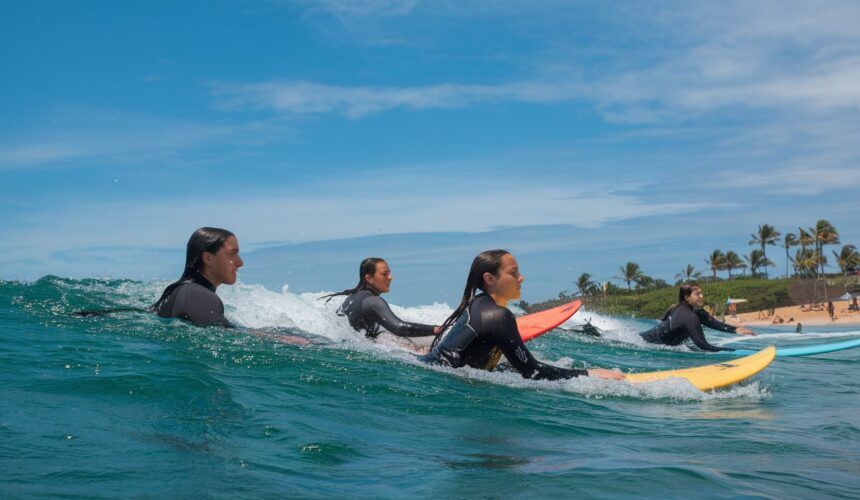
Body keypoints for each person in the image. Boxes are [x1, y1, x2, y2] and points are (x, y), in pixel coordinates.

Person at [421, 249, 624, 381]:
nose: (521, 278)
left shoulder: (478, 304)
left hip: (432, 373)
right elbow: (533, 372)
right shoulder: (498, 316)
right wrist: (589, 374)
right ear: (490, 279)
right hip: (445, 382)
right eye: (513, 273)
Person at [322, 258, 441, 340]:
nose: (390, 277)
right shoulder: (373, 301)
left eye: (389, 273)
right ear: (369, 278)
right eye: (385, 274)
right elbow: (399, 328)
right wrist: (434, 329)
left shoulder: (351, 298)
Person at [150, 227, 243, 327]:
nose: (240, 263)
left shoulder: (183, 291)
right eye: (232, 254)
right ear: (208, 258)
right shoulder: (199, 295)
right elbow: (228, 337)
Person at [638, 283, 755, 352]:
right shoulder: (689, 316)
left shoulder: (693, 312)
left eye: (701, 293)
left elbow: (712, 323)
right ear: (687, 297)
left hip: (645, 339)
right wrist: (732, 351)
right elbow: (702, 344)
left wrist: (735, 329)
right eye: (697, 294)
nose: (701, 296)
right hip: (644, 343)